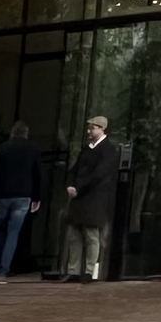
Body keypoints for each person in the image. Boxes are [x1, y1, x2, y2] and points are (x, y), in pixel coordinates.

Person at [61, 115, 121, 283]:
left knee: (91, 234)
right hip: (79, 196)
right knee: (74, 234)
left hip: (94, 197)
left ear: (102, 129)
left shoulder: (108, 150)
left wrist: (78, 187)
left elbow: (99, 174)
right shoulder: (86, 148)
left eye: (92, 128)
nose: (89, 131)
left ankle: (88, 271)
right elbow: (75, 168)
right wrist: (70, 184)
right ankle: (73, 270)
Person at [0, 121, 41, 280]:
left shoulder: (2, 148)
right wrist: (37, 197)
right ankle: (3, 270)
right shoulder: (33, 149)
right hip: (23, 196)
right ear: (26, 133)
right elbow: (38, 174)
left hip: (2, 196)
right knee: (13, 233)